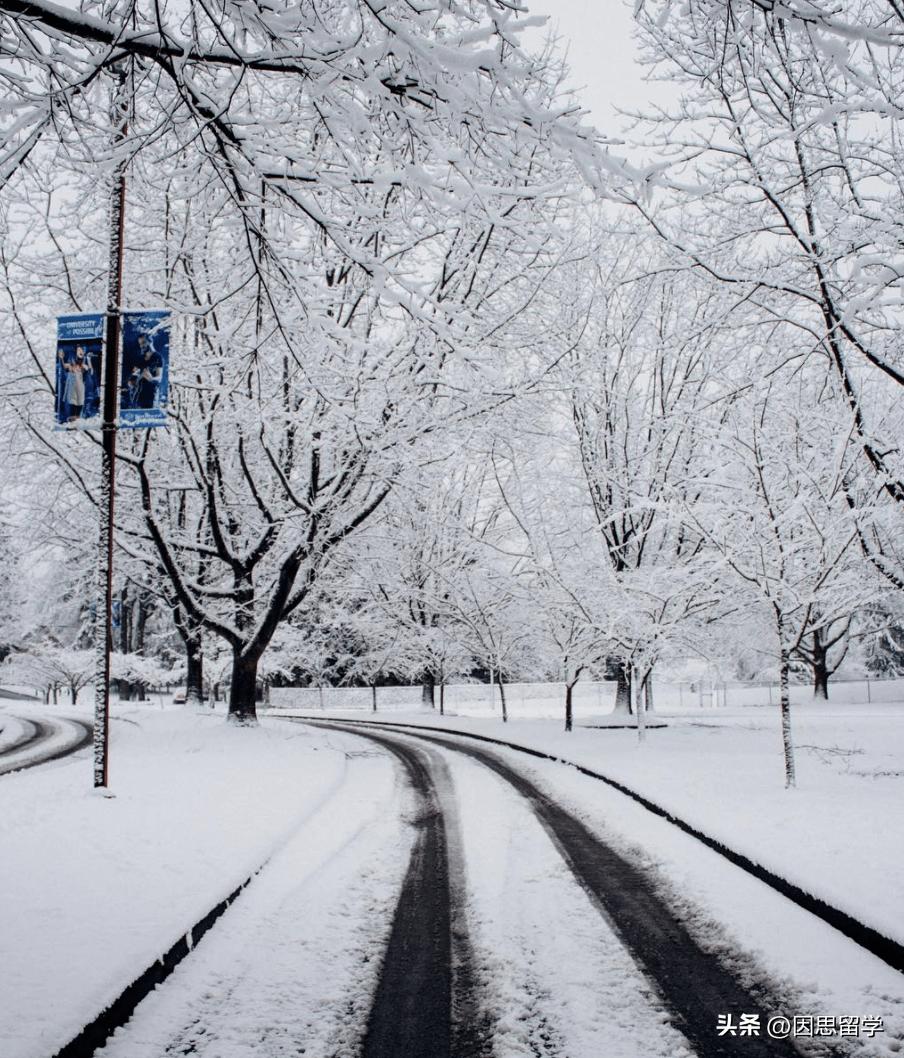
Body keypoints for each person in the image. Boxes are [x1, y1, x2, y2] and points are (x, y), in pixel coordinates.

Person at [128, 333, 163, 410]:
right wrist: (132, 381)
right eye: (140, 344)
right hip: (137, 398)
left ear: (150, 341)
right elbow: (132, 378)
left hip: (150, 397)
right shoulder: (140, 358)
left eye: (143, 343)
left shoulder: (157, 357)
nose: (141, 346)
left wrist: (151, 379)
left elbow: (159, 378)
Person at [61, 345, 91, 423]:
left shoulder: (83, 366)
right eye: (78, 350)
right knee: (73, 405)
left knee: (79, 405)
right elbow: (64, 366)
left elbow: (90, 371)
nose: (80, 351)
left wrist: (89, 359)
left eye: (81, 350)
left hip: (80, 389)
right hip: (73, 390)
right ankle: (72, 421)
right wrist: (61, 358)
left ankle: (76, 420)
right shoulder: (71, 366)